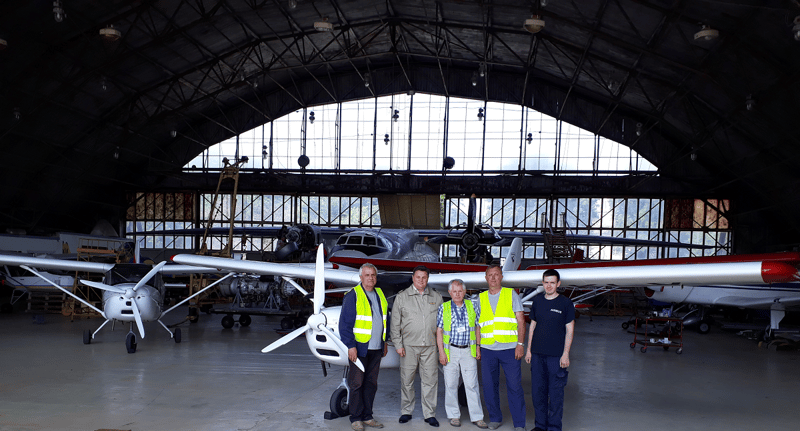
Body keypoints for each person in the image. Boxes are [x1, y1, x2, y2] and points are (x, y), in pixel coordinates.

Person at [390, 265, 444, 427]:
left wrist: (441, 347)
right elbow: (395, 323)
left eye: (424, 277)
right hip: (408, 347)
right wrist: (398, 344)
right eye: (418, 277)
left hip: (430, 346)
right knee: (407, 380)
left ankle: (430, 414)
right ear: (413, 278)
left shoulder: (436, 297)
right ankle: (406, 411)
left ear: (428, 279)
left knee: (430, 381)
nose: (421, 280)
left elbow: (442, 324)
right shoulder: (402, 297)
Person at [339, 263, 389, 431]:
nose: (370, 278)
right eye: (367, 275)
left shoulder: (380, 294)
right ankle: (355, 418)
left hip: (376, 348)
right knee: (357, 383)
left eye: (373, 275)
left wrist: (385, 341)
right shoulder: (353, 295)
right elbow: (344, 325)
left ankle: (367, 416)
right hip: (359, 349)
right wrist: (350, 346)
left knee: (371, 384)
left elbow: (385, 320)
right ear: (361, 277)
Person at [476, 264, 526, 431]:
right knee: (489, 386)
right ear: (486, 278)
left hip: (510, 349)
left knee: (514, 386)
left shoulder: (511, 294)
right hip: (488, 349)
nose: (493, 278)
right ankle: (495, 418)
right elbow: (478, 325)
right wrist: (478, 346)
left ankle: (519, 424)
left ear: (501, 277)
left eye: (496, 274)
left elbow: (521, 321)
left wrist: (520, 344)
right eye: (490, 275)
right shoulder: (481, 298)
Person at [524, 269, 575, 431]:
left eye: (552, 282)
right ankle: (540, 426)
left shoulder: (565, 303)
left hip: (556, 357)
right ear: (543, 283)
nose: (549, 286)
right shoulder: (538, 301)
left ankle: (554, 427)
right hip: (537, 355)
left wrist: (566, 354)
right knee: (538, 393)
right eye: (546, 282)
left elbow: (570, 330)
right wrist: (529, 350)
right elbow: (532, 326)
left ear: (558, 284)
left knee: (555, 395)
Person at [436, 279, 489, 429]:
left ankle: (477, 417)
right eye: (454, 291)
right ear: (450, 292)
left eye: (460, 291)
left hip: (468, 350)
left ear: (465, 292)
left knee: (472, 384)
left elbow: (477, 328)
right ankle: (454, 415)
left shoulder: (472, 306)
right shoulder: (444, 307)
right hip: (450, 351)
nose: (457, 294)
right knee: (451, 384)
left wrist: (477, 347)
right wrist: (441, 352)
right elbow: (439, 331)